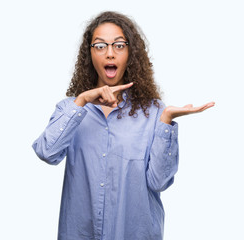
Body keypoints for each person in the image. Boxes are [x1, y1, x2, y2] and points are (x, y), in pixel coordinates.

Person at [32, 11, 214, 240]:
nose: (109, 53)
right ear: (89, 54)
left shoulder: (153, 111)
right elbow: (47, 152)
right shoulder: (70, 108)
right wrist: (82, 101)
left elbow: (160, 182)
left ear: (130, 53)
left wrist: (166, 120)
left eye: (119, 45)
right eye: (100, 46)